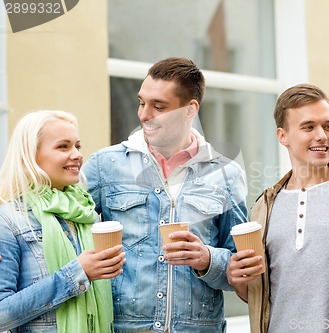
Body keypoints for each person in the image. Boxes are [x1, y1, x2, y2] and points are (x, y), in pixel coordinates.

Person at [82, 57, 248, 332]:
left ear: (189, 109)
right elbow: (60, 232)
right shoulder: (104, 166)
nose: (144, 115)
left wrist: (207, 259)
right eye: (141, 102)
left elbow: (242, 271)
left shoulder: (226, 174)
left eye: (158, 106)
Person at [226, 83, 329, 333]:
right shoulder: (263, 207)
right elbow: (259, 295)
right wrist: (238, 281)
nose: (322, 136)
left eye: (328, 126)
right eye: (308, 127)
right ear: (283, 136)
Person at [0, 110, 125, 332]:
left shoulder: (86, 213)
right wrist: (76, 274)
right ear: (30, 155)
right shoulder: (9, 220)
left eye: (77, 146)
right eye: (63, 147)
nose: (77, 154)